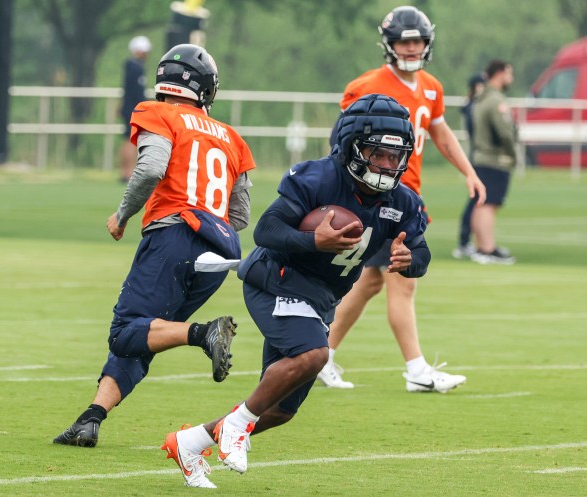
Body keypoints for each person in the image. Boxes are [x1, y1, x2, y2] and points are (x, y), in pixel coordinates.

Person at [160, 93, 431, 488]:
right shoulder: (320, 178)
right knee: (314, 355)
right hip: (275, 279)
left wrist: (411, 259)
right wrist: (313, 242)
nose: (389, 165)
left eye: (396, 156)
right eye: (379, 154)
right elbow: (265, 231)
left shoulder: (402, 201)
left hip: (322, 297)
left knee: (281, 409)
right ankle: (236, 425)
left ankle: (189, 442)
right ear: (354, 147)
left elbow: (421, 252)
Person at [52, 44, 256, 448]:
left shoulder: (156, 111)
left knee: (126, 331)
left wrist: (123, 214)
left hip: (175, 235)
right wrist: (209, 231)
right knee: (149, 334)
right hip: (221, 249)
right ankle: (91, 418)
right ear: (205, 89)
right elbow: (241, 214)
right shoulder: (233, 137)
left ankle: (204, 333)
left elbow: (149, 168)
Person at [317, 5, 486, 391]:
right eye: (404, 42)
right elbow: (340, 143)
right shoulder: (367, 85)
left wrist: (469, 171)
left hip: (407, 195)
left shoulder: (431, 86)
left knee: (371, 281)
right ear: (390, 44)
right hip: (379, 196)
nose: (411, 48)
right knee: (403, 280)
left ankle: (320, 355)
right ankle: (416, 370)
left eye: (418, 41)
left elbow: (440, 133)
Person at [467, 60, 517, 265]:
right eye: (509, 73)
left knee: (481, 204)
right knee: (489, 205)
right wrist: (513, 153)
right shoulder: (496, 100)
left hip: (479, 156)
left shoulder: (480, 97)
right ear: (501, 73)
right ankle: (487, 249)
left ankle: (481, 247)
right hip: (494, 158)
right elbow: (505, 132)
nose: (511, 78)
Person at [453, 72, 487, 260]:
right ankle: (465, 242)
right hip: (479, 158)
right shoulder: (473, 107)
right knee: (476, 200)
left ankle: (469, 241)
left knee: (478, 200)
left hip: (479, 157)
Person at [119, 36, 151, 182]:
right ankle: (128, 172)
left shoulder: (132, 66)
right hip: (133, 110)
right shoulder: (135, 67)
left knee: (128, 139)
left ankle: (126, 172)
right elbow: (136, 93)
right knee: (131, 140)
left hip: (129, 108)